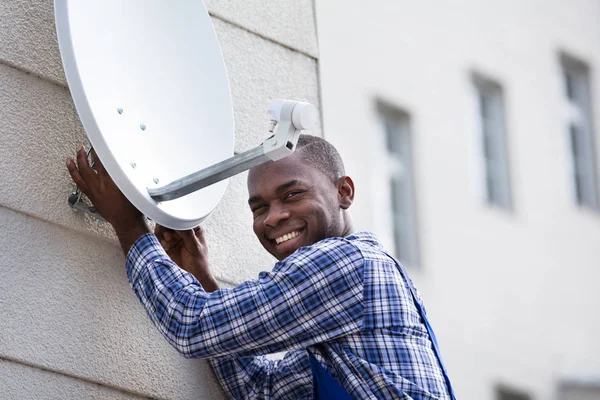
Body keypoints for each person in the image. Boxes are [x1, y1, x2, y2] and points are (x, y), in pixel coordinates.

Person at [66, 135, 455, 399]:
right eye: (259, 207)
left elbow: (191, 324)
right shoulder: (335, 323)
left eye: (293, 194)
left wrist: (130, 227)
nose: (273, 217)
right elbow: (261, 389)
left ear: (344, 192)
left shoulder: (346, 266)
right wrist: (202, 279)